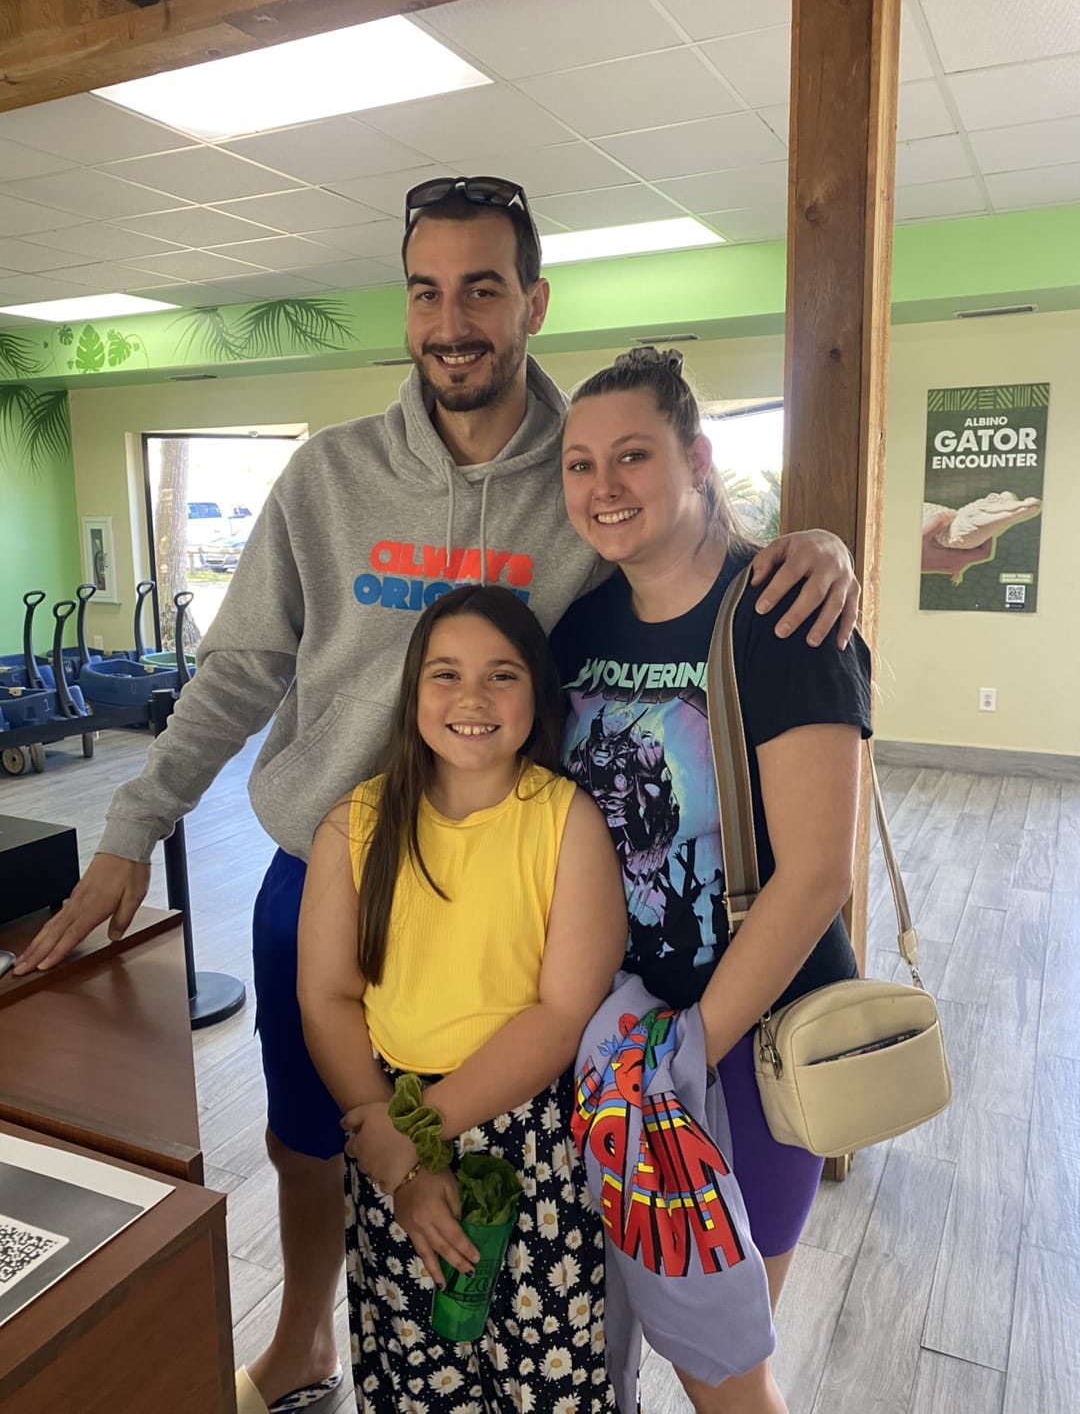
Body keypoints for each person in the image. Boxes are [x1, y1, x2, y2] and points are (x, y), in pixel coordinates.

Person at [15, 179, 861, 1413]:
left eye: (482, 289)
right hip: (330, 869)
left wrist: (822, 546)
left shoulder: (584, 471)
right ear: (404, 305)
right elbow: (240, 668)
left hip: (513, 887)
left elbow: (691, 542)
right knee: (314, 1142)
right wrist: (133, 828)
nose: (452, 320)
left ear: (532, 302)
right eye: (426, 290)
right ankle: (308, 1342)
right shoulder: (328, 476)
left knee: (525, 1166)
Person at [549, 347, 874, 1414]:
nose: (604, 487)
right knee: (617, 1343)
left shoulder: (784, 611)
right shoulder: (580, 629)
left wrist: (689, 1052)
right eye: (580, 463)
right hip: (623, 1044)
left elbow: (819, 871)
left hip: (750, 1047)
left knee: (724, 1377)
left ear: (696, 457)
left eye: (633, 455)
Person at [296, 583, 627, 1412]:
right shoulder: (353, 823)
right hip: (388, 1115)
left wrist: (417, 1140)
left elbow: (559, 1017)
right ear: (412, 694)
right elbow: (328, 995)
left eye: (501, 675)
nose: (471, 698)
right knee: (417, 1375)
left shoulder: (565, 821)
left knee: (549, 1376)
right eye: (444, 674)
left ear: (536, 693)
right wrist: (397, 1154)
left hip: (530, 1140)